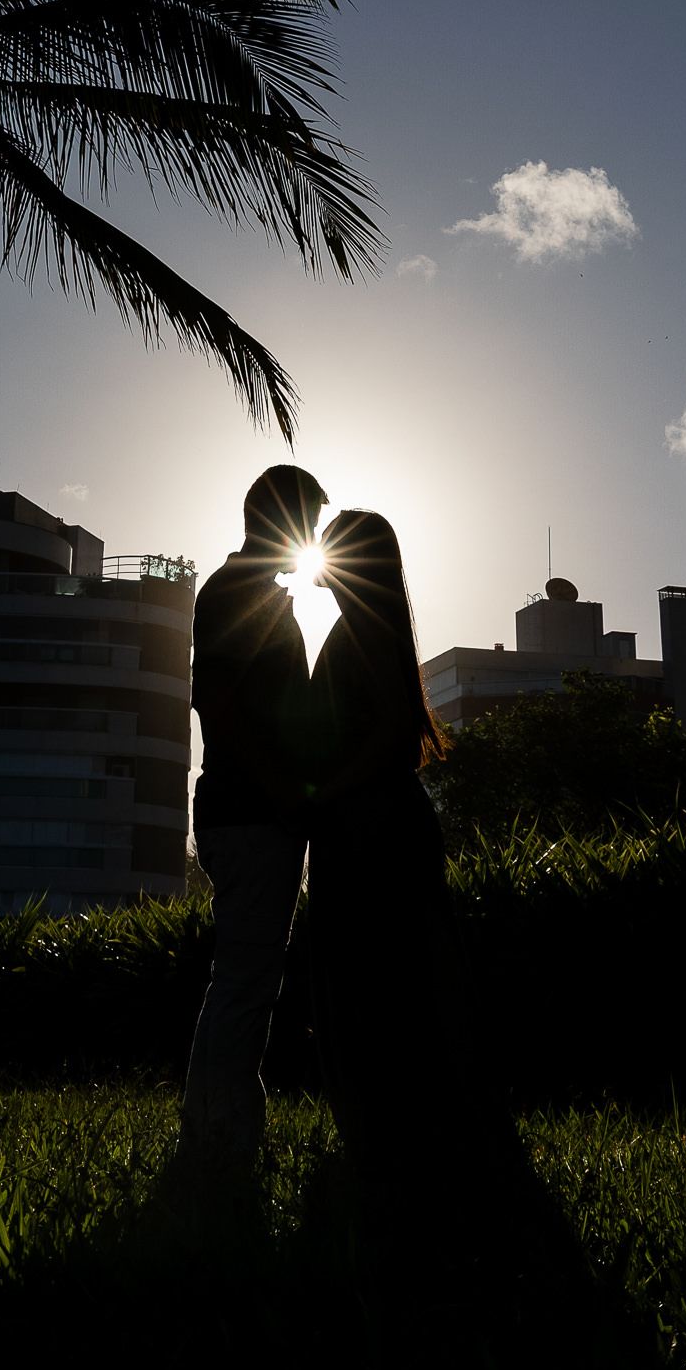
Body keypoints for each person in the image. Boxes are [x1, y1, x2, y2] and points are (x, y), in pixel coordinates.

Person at [305, 507, 464, 1175]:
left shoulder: (362, 632)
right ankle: (396, 1134)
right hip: (379, 824)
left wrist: (324, 792)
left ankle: (387, 1138)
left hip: (370, 829)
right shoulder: (374, 629)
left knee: (374, 985)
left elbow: (389, 734)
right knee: (390, 984)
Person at [180, 462, 327, 1170]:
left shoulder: (247, 592)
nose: (314, 537)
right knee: (246, 983)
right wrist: (284, 795)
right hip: (250, 812)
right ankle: (224, 1136)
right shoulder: (240, 593)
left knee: (240, 979)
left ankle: (215, 1127)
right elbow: (220, 701)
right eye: (309, 522)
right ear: (281, 520)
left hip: (242, 808)